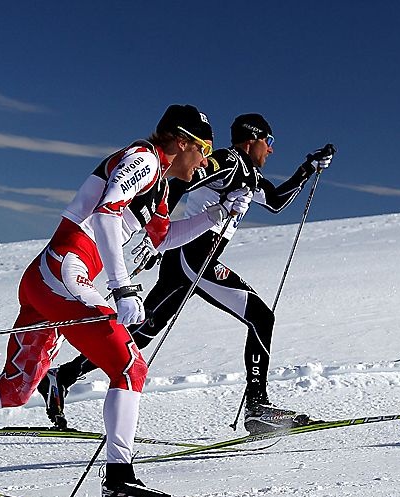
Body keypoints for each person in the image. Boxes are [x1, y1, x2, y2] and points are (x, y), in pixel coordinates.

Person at [0, 104, 251, 497]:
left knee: (15, 388)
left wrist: (217, 215)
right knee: (129, 366)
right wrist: (122, 288)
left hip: (48, 278)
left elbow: (162, 238)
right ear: (181, 142)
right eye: (203, 147)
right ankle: (120, 483)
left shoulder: (159, 186)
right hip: (63, 273)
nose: (205, 159)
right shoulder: (143, 159)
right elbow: (106, 213)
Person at [38, 113, 335, 434]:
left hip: (189, 262)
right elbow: (181, 180)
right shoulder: (228, 162)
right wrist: (158, 229)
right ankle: (258, 406)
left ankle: (62, 377)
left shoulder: (249, 175)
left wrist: (308, 168)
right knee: (261, 317)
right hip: (195, 258)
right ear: (253, 140)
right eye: (269, 142)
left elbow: (276, 202)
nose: (271, 150)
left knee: (142, 332)